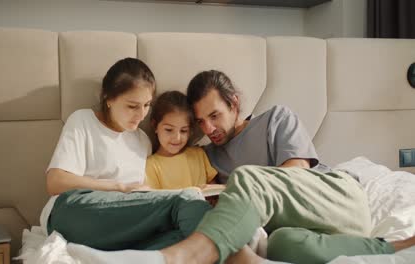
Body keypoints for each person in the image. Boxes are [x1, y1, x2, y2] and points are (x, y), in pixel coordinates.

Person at [160, 70, 415, 264]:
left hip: (338, 200)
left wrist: (235, 189)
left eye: (214, 116)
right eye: (201, 122)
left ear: (234, 104)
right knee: (280, 245)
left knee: (247, 177)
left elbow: (296, 173)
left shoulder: (276, 119)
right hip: (308, 229)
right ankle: (393, 247)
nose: (209, 129)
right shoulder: (207, 157)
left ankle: (193, 253)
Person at [42, 58, 211, 251]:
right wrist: (118, 187)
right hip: (76, 211)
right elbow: (55, 182)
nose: (141, 115)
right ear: (109, 99)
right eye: (132, 106)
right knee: (184, 203)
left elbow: (140, 202)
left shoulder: (142, 141)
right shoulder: (83, 121)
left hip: (122, 224)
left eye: (147, 105)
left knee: (190, 217)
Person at [145, 90, 218, 190]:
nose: (177, 138)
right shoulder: (151, 166)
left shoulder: (198, 154)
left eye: (183, 131)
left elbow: (213, 185)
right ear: (155, 126)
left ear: (190, 130)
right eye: (169, 130)